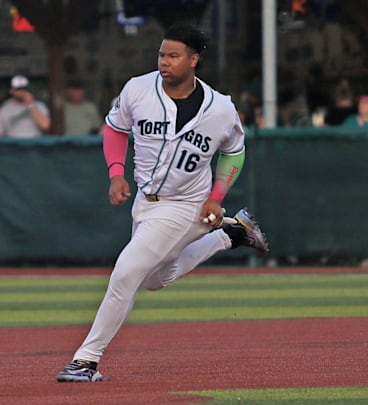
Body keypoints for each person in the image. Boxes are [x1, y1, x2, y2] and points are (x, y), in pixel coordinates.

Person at [55, 22, 269, 383]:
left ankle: (86, 360)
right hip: (145, 201)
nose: (164, 61)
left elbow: (234, 153)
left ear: (194, 60)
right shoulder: (138, 89)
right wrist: (115, 172)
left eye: (173, 55)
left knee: (126, 272)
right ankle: (229, 235)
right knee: (155, 279)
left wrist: (216, 197)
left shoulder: (220, 109)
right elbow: (116, 129)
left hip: (185, 204)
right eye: (161, 54)